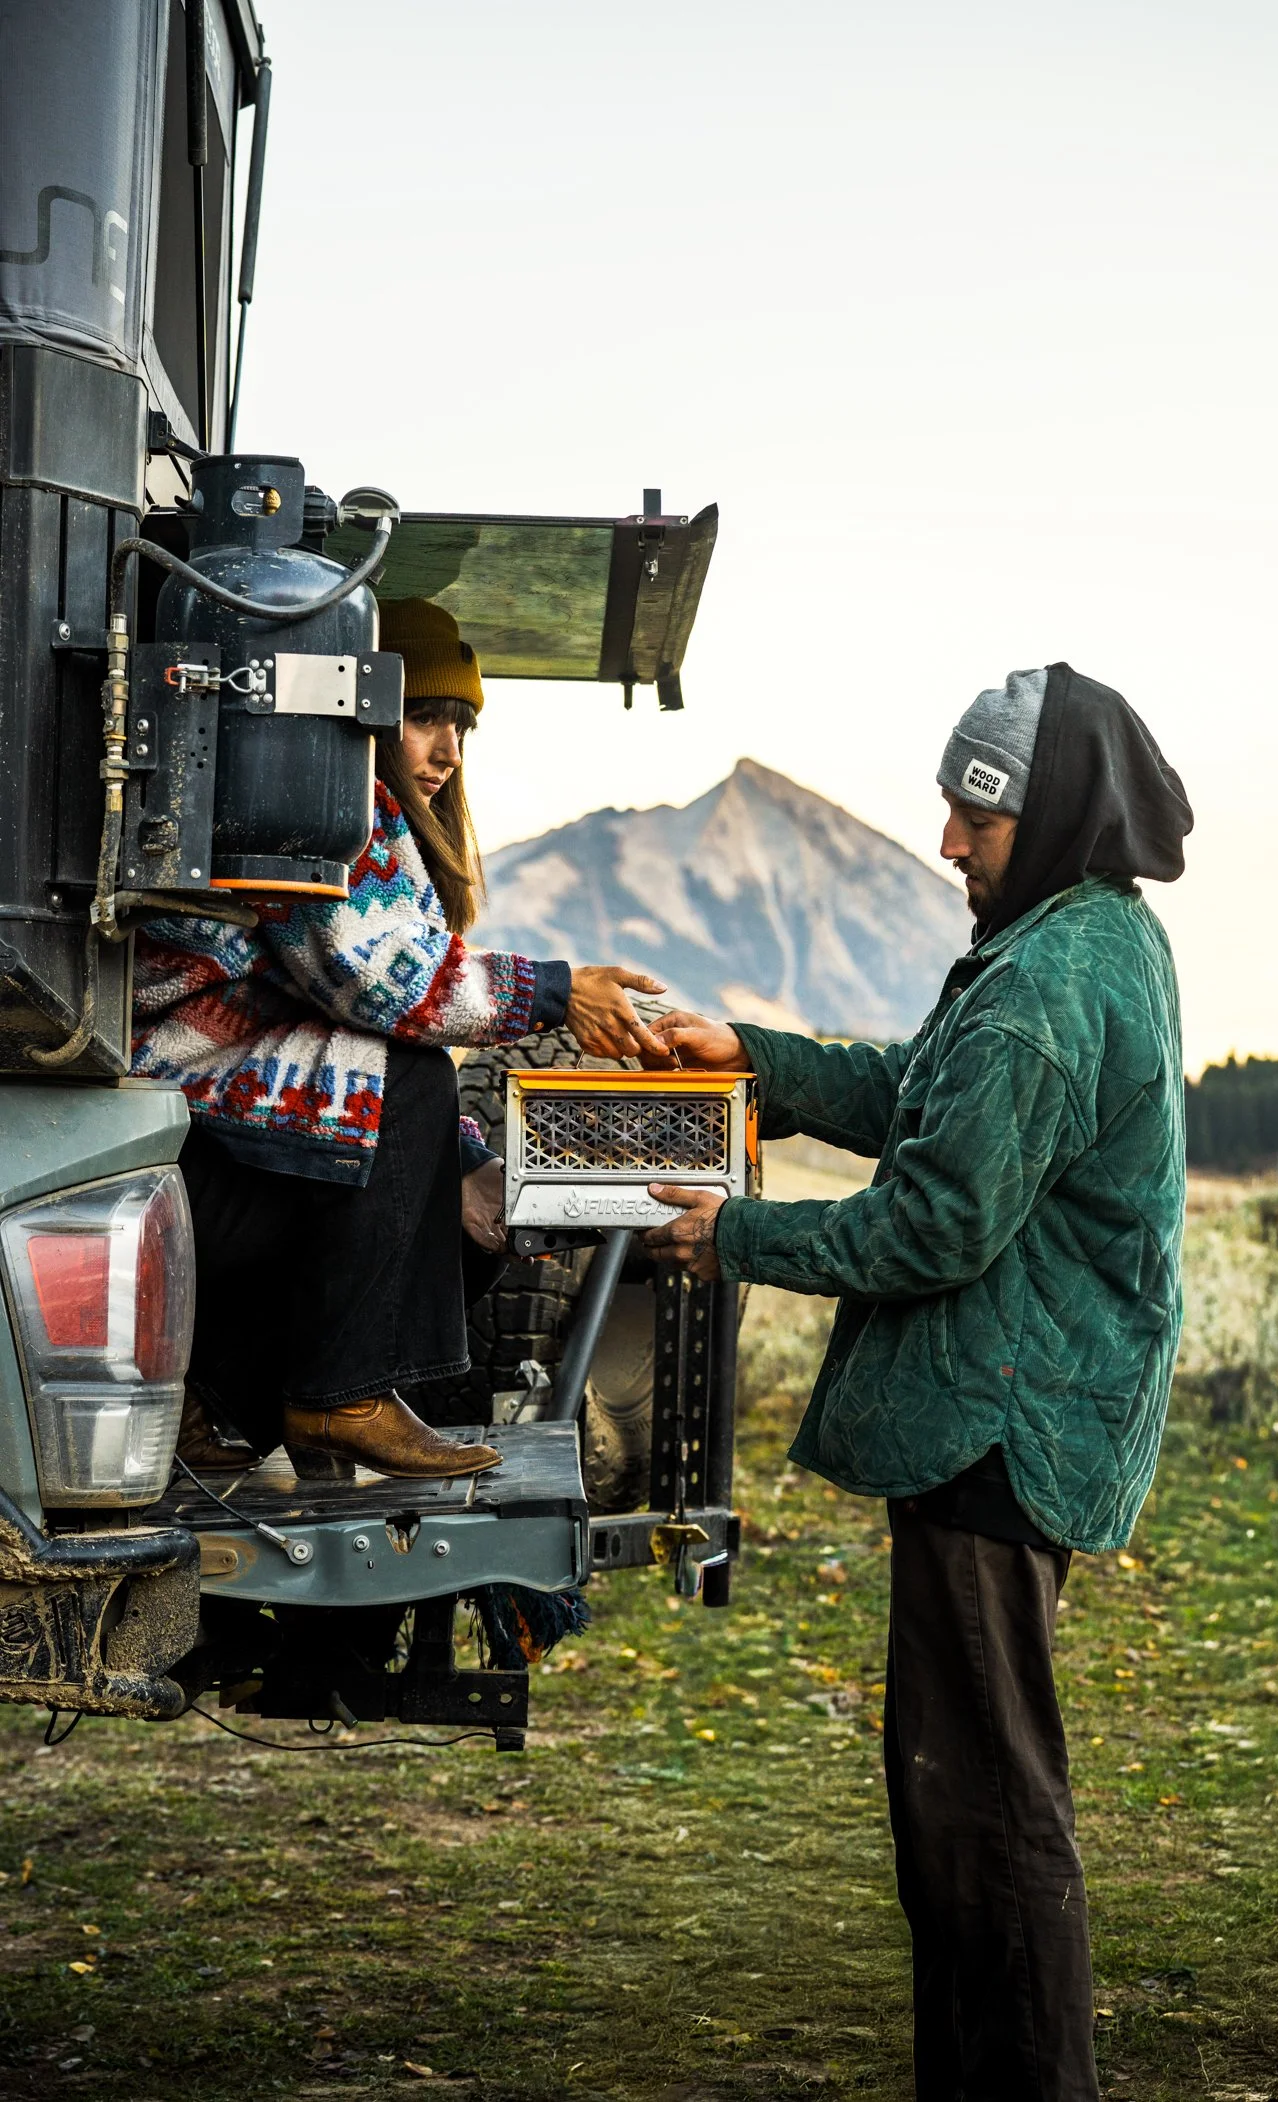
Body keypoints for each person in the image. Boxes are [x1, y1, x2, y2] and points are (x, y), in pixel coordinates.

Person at [640, 662, 1193, 2102]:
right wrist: (751, 1059)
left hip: (993, 1429)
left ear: (1055, 813)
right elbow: (918, 1097)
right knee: (957, 1795)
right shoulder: (1084, 934)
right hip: (1011, 1415)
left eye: (975, 818)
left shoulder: (1046, 990)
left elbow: (937, 1219)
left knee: (987, 1808)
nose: (946, 843)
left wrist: (735, 1233)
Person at [132, 596, 666, 1480]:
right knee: (411, 1071)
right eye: (423, 717)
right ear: (365, 705)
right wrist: (559, 992)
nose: (448, 752)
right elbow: (387, 984)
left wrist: (456, 1171)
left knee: (456, 1208)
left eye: (460, 726)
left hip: (216, 1130)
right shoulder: (314, 802)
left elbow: (347, 1010)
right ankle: (339, 1398)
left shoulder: (355, 810)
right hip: (173, 1141)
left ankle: (228, 1411)